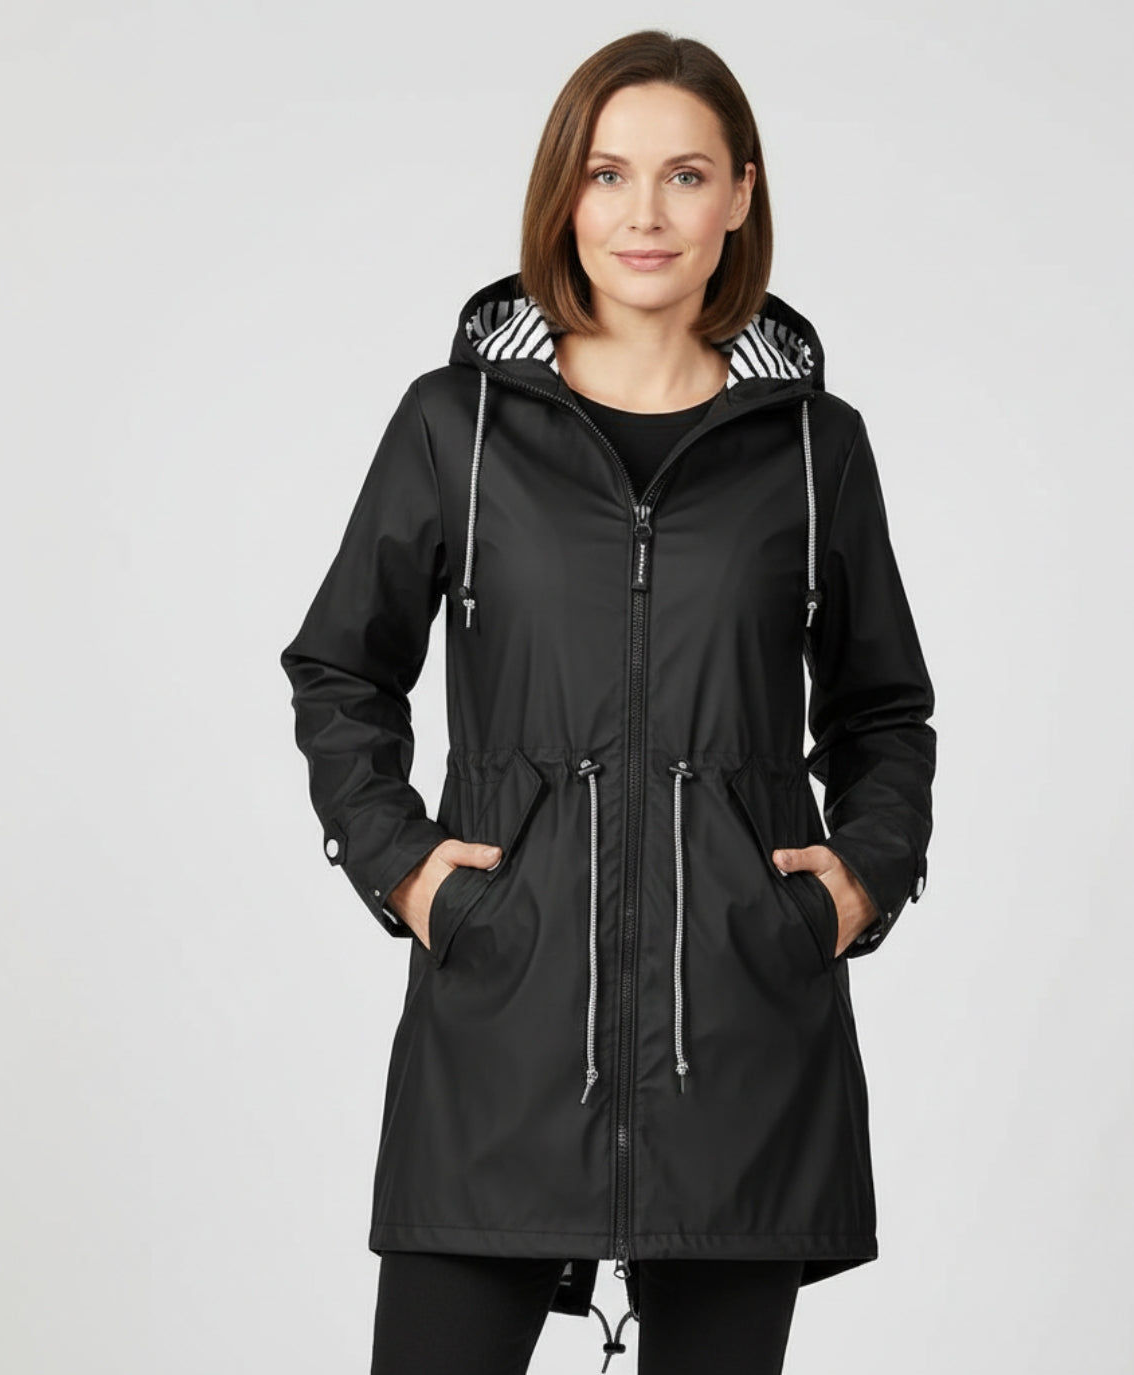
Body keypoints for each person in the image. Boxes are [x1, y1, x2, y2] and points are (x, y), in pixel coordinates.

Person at [279, 28, 936, 1375]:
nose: (646, 214)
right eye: (608, 174)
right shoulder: (455, 429)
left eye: (686, 175)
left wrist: (860, 882)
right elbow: (342, 667)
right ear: (563, 195)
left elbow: (884, 710)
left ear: (740, 195)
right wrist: (407, 871)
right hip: (505, 1024)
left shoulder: (815, 450)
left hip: (740, 1032)